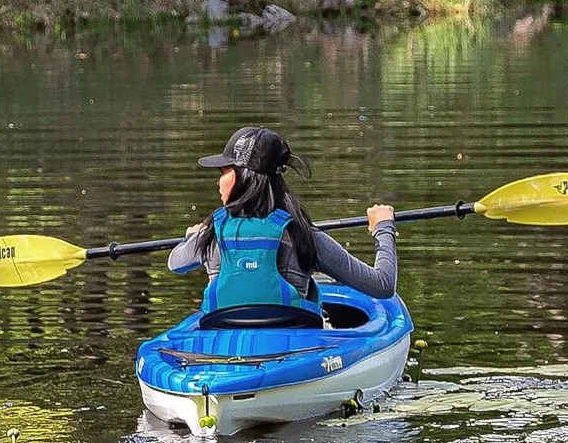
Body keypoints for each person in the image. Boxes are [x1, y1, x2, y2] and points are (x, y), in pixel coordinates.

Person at [168, 127, 397, 320]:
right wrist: (383, 227)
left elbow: (175, 263)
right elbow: (383, 285)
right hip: (293, 349)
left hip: (226, 350)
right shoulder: (305, 237)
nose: (218, 180)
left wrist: (194, 237)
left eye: (224, 171)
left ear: (244, 176)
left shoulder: (212, 234)